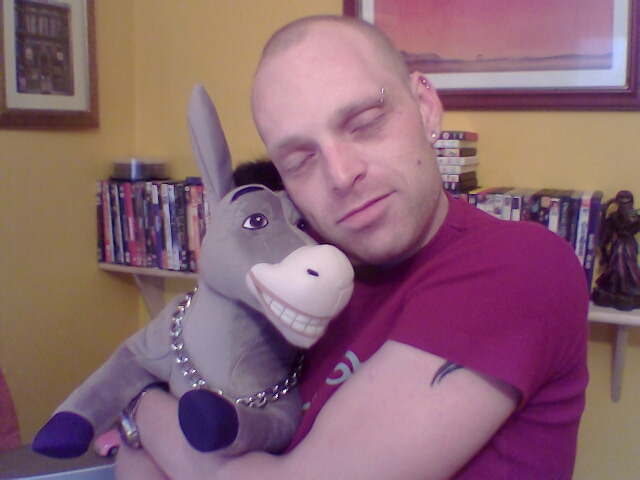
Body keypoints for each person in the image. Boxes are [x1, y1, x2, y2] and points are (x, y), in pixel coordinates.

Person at [115, 15, 589, 479]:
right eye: (300, 160)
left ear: (425, 107)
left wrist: (138, 404)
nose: (341, 175)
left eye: (365, 123)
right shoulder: (293, 270)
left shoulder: (518, 266)